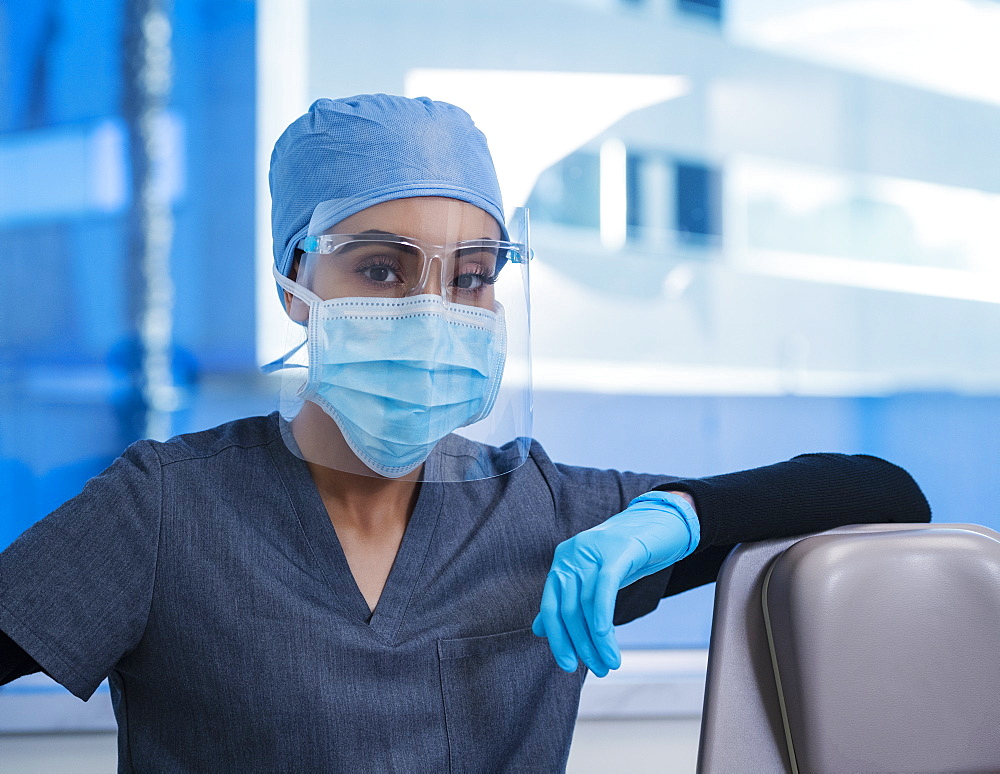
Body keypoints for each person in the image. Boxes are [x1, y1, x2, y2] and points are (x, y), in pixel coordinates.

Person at [0, 94, 931, 772]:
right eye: (380, 270)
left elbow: (887, 494)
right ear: (295, 286)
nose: (434, 309)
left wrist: (675, 519)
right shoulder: (168, 509)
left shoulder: (550, 517)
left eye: (473, 275)